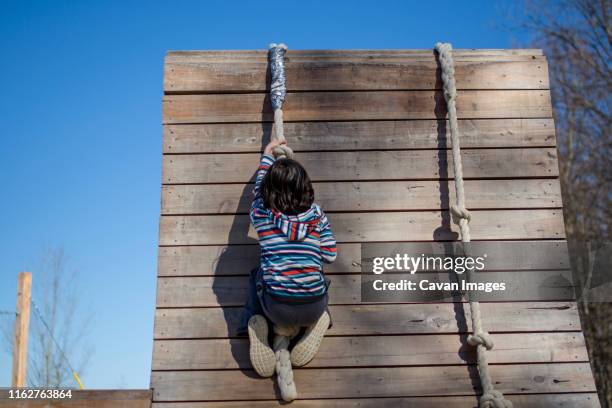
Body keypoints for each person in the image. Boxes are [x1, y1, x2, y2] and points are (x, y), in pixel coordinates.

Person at [239, 139, 336, 377]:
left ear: (269, 192)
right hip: (313, 307)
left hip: (275, 308)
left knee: (257, 274)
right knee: (321, 276)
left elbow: (257, 191)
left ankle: (251, 322)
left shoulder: (260, 213)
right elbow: (331, 255)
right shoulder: (317, 215)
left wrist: (267, 157)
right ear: (306, 187)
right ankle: (321, 321)